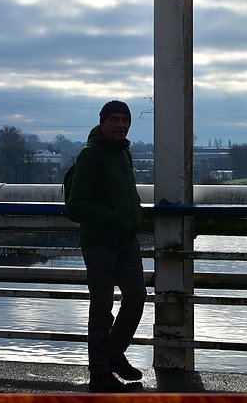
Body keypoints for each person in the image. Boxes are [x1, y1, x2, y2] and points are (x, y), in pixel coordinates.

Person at [66, 100, 147, 393]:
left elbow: (129, 195)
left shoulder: (124, 154)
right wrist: (115, 219)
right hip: (99, 242)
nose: (120, 124)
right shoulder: (91, 155)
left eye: (125, 120)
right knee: (102, 308)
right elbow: (76, 205)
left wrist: (135, 215)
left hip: (125, 241)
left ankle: (113, 353)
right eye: (114, 119)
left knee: (137, 297)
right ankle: (100, 373)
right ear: (102, 123)